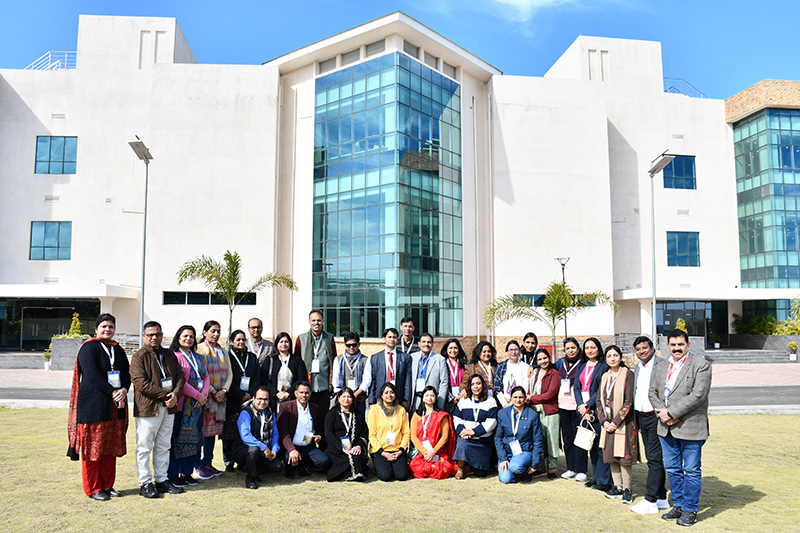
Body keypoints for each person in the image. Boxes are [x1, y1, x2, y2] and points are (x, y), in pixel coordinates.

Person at [649, 329, 712, 527]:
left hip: (690, 427)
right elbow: (652, 392)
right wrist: (663, 414)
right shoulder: (661, 366)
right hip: (665, 428)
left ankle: (690, 510)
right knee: (673, 469)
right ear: (668, 346)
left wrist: (671, 413)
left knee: (691, 470)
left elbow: (698, 395)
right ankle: (678, 505)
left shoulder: (701, 365)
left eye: (681, 344)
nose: (677, 348)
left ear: (688, 345)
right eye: (673, 345)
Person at [67, 313, 131, 501]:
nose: (107, 329)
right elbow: (92, 374)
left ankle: (107, 485)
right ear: (96, 329)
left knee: (109, 448)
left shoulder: (117, 349)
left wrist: (124, 389)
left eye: (111, 326)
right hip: (93, 407)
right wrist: (113, 392)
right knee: (93, 450)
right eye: (104, 326)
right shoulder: (89, 347)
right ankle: (93, 488)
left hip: (115, 407)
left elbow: (126, 374)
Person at [131, 320, 185, 498]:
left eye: (158, 334)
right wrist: (166, 396)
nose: (155, 337)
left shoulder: (169, 354)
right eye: (151, 334)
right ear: (144, 336)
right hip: (149, 408)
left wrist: (175, 395)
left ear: (162, 335)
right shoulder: (139, 356)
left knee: (164, 445)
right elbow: (140, 382)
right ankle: (145, 483)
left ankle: (162, 480)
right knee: (144, 446)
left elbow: (180, 376)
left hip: (168, 407)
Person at [629, 335, 670, 515]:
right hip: (641, 417)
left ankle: (650, 500)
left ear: (652, 348)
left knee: (654, 458)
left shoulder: (663, 364)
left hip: (656, 417)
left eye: (645, 348)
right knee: (652, 457)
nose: (642, 352)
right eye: (638, 349)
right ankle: (661, 497)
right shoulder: (638, 366)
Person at [168, 325, 209, 487]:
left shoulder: (198, 357)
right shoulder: (174, 356)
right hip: (181, 406)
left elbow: (206, 377)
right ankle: (173, 475)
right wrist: (198, 396)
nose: (188, 339)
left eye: (191, 336)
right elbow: (179, 382)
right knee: (177, 440)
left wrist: (204, 396)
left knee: (194, 441)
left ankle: (187, 472)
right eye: (185, 336)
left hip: (197, 407)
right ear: (178, 337)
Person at [597, 345, 638, 504]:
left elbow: (629, 402)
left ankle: (627, 489)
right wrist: (604, 421)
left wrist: (615, 422)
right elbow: (598, 401)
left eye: (615, 355)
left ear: (620, 357)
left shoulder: (628, 374)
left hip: (623, 423)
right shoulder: (605, 376)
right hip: (607, 424)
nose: (612, 358)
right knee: (611, 456)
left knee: (624, 456)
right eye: (609, 356)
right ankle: (618, 487)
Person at [194, 320, 231, 479]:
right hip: (204, 398)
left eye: (218, 331)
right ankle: (197, 464)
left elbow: (230, 373)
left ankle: (208, 462)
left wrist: (224, 390)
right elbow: (199, 373)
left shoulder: (223, 351)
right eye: (212, 331)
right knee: (200, 432)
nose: (216, 334)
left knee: (212, 433)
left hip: (220, 399)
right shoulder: (199, 349)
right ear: (204, 332)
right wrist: (213, 391)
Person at [573, 337, 612, 490]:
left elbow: (601, 389)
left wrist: (587, 406)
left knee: (601, 447)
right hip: (583, 411)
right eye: (587, 347)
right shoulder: (581, 365)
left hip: (596, 409)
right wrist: (580, 407)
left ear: (598, 349)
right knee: (591, 446)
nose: (590, 350)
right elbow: (577, 387)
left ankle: (605, 481)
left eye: (593, 347)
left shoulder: (603, 366)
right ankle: (595, 478)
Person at [222, 329, 261, 472]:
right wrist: (240, 395)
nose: (241, 342)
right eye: (238, 339)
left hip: (249, 401)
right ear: (232, 342)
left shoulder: (252, 357)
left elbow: (257, 377)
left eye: (243, 339)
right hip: (233, 400)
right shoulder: (227, 357)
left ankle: (243, 460)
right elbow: (227, 378)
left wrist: (250, 394)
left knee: (245, 431)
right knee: (229, 432)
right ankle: (229, 461)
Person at [277, 381, 332, 478]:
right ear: (296, 393)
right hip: (291, 446)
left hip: (307, 446)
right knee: (288, 458)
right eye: (301, 392)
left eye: (306, 393)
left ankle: (301, 464)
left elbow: (318, 427)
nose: (304, 395)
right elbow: (283, 432)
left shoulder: (315, 408)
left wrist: (318, 435)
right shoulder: (286, 407)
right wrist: (291, 449)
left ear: (310, 393)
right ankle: (292, 466)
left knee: (324, 461)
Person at [233, 386, 282, 489]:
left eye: (265, 399)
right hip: (243, 451)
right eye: (259, 398)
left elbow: (274, 434)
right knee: (254, 449)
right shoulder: (246, 413)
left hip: (262, 452)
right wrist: (263, 447)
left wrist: (274, 450)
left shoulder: (271, 414)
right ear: (253, 398)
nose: (262, 402)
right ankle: (250, 478)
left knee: (278, 466)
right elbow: (246, 436)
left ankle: (250, 468)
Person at [453, 374, 498, 479]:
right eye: (473, 384)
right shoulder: (463, 401)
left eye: (478, 383)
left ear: (483, 385)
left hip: (482, 441)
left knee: (481, 474)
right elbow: (457, 418)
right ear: (469, 386)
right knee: (462, 443)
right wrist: (463, 431)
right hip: (466, 438)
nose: (476, 386)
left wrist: (474, 431)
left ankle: (473, 465)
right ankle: (460, 468)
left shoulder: (491, 401)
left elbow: (492, 422)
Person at [295, 309, 337, 423]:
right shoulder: (301, 338)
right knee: (307, 416)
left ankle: (322, 435)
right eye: (313, 320)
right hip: (307, 386)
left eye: (319, 320)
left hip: (324, 386)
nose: (316, 323)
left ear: (323, 321)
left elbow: (334, 360)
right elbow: (296, 361)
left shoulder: (329, 338)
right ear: (309, 322)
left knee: (323, 417)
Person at [494, 386, 543, 483]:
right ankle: (513, 470)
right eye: (515, 397)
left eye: (521, 397)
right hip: (507, 452)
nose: (518, 400)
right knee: (505, 479)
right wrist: (503, 458)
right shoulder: (502, 413)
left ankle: (524, 470)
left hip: (524, 451)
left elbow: (538, 440)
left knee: (515, 467)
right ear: (511, 398)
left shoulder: (532, 415)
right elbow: (498, 438)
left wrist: (534, 464)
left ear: (525, 398)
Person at [409, 386, 458, 479]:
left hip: (437, 451)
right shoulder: (417, 415)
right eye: (427, 395)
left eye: (432, 395)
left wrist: (433, 451)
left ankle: (431, 468)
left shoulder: (441, 415)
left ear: (435, 398)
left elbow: (445, 436)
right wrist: (425, 452)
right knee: (414, 467)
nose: (429, 398)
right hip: (422, 452)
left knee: (443, 469)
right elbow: (413, 436)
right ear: (423, 398)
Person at [527, 347, 560, 479]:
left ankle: (552, 467)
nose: (543, 361)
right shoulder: (535, 372)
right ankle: (539, 466)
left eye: (545, 358)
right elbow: (530, 388)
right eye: (540, 359)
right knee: (538, 439)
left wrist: (531, 398)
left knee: (551, 440)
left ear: (549, 358)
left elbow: (550, 394)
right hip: (535, 411)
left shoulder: (554, 374)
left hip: (550, 411)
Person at [367, 383, 410, 482]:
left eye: (392, 392)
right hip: (380, 450)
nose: (389, 395)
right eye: (386, 393)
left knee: (402, 476)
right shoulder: (374, 410)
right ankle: (378, 466)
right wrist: (382, 452)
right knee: (385, 476)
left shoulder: (401, 410)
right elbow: (372, 435)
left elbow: (406, 433)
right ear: (381, 395)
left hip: (397, 450)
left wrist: (400, 450)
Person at [324, 387, 369, 481]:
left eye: (349, 397)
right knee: (342, 460)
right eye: (343, 397)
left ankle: (356, 474)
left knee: (358, 458)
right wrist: (342, 448)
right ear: (338, 398)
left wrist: (358, 446)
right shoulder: (332, 413)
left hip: (353, 447)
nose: (346, 399)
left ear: (352, 399)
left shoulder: (358, 414)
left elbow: (365, 433)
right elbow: (328, 433)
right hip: (337, 448)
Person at [555, 337, 583, 480]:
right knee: (567, 440)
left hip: (577, 406)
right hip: (563, 406)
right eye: (567, 348)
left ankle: (581, 470)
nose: (570, 350)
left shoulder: (583, 363)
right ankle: (571, 468)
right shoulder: (560, 363)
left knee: (580, 440)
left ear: (578, 348)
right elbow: (546, 366)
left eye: (573, 347)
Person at [367, 328, 413, 411]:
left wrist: (407, 400)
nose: (392, 340)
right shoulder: (375, 358)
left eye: (394, 337)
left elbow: (407, 380)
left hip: (398, 397)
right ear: (384, 339)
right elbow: (373, 380)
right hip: (380, 397)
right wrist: (371, 401)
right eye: (389, 337)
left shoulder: (405, 357)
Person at [262, 332, 307, 414]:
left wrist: (288, 393)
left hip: (291, 398)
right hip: (273, 399)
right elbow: (264, 379)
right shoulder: (270, 359)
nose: (284, 344)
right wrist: (276, 393)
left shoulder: (297, 360)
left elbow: (301, 379)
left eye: (286, 342)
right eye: (281, 342)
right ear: (277, 344)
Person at [332, 332, 370, 414]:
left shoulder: (365, 360)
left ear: (359, 344)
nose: (351, 347)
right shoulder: (338, 359)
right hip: (343, 400)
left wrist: (354, 395)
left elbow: (366, 382)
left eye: (354, 345)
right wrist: (345, 397)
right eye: (348, 345)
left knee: (359, 421)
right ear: (345, 345)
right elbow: (335, 381)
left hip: (359, 399)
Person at [410, 333, 450, 413]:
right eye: (423, 342)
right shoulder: (412, 357)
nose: (426, 344)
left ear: (432, 344)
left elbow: (444, 382)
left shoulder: (440, 359)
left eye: (429, 342)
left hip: (432, 401)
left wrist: (439, 405)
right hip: (415, 400)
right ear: (419, 343)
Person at [494, 340, 529, 407]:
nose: (513, 352)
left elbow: (526, 387)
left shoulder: (525, 367)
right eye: (511, 350)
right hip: (504, 404)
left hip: (520, 403)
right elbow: (497, 388)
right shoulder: (501, 366)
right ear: (507, 352)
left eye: (516, 349)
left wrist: (514, 402)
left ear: (519, 351)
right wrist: (504, 404)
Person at [442, 338, 468, 413]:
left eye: (455, 348)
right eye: (450, 348)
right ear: (446, 350)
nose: (453, 350)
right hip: (447, 401)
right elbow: (441, 383)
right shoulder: (442, 364)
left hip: (463, 398)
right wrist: (452, 398)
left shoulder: (465, 364)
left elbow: (468, 380)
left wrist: (460, 395)